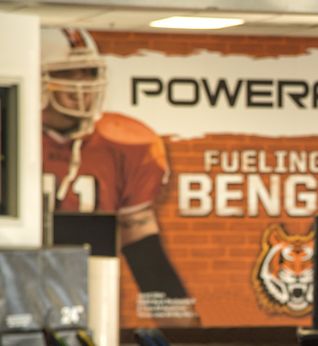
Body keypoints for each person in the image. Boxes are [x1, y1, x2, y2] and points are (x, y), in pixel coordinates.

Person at [41, 27, 199, 327]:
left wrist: (185, 336)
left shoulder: (128, 144)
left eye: (88, 72)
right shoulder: (10, 135)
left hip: (89, 286)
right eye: (68, 73)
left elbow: (142, 243)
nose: (83, 85)